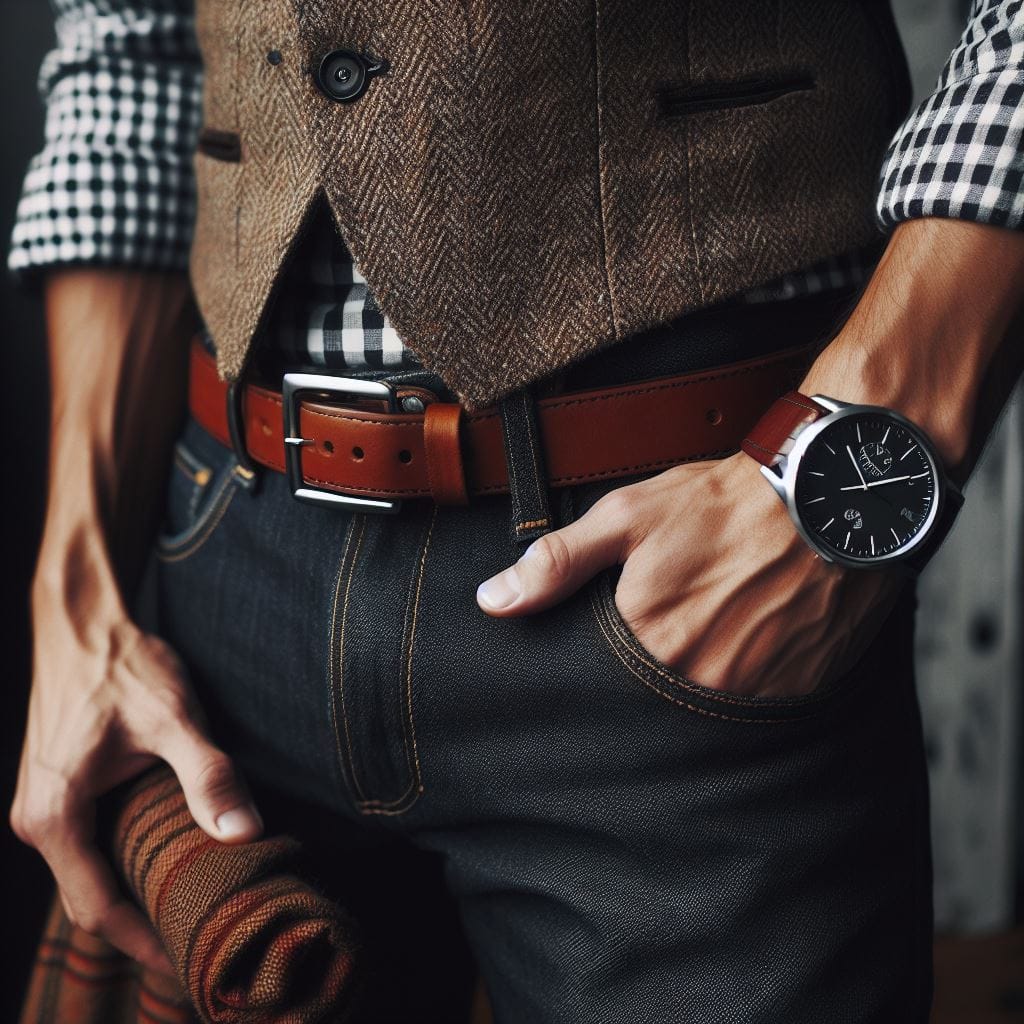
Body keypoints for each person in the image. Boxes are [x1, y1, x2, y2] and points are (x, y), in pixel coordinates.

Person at [8, 0, 1024, 1020]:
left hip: (675, 584)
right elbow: (130, 50)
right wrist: (75, 594)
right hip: (227, 576)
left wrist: (861, 445)